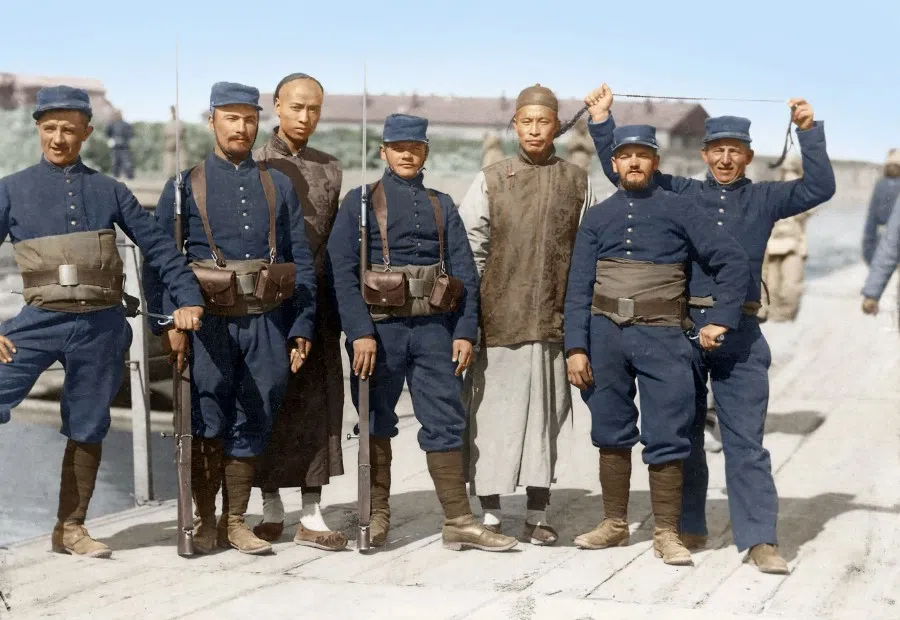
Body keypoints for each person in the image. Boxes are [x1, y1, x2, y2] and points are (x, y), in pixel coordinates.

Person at [584, 83, 835, 574]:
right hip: (680, 329)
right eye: (717, 151)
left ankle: (760, 539)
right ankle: (689, 524)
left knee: (746, 440)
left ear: (748, 157)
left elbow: (819, 188)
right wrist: (601, 122)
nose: (725, 160)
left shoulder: (765, 198)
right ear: (704, 154)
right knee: (684, 432)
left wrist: (809, 132)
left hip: (739, 332)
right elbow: (628, 168)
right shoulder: (682, 192)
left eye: (735, 153)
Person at [0, 85, 204, 559]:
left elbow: (160, 250)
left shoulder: (109, 190)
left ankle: (70, 529)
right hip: (37, 323)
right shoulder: (11, 190)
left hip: (101, 327)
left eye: (68, 129)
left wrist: (187, 300)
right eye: (49, 128)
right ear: (37, 130)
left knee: (89, 425)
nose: (58, 138)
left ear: (87, 133)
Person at [327, 113, 517, 552]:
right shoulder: (359, 202)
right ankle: (376, 515)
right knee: (375, 420)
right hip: (380, 332)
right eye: (398, 148)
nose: (407, 154)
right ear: (383, 152)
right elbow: (342, 272)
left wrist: (465, 331)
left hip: (435, 331)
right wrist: (359, 332)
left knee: (446, 421)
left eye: (415, 147)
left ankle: (457, 520)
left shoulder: (441, 204)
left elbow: (464, 269)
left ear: (426, 151)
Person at [143, 82, 318, 556]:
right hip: (207, 326)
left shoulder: (277, 184)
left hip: (265, 320)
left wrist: (301, 324)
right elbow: (158, 260)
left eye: (249, 119)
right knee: (206, 416)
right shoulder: (183, 186)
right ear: (213, 120)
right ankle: (204, 519)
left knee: (254, 415)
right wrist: (167, 324)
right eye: (231, 118)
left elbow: (298, 257)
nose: (241, 128)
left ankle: (235, 520)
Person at [565, 123, 750, 566]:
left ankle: (667, 532)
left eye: (642, 155)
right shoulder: (598, 216)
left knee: (667, 434)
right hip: (604, 335)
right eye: (625, 156)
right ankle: (613, 524)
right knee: (610, 429)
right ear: (613, 164)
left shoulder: (682, 210)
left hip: (664, 336)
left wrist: (722, 319)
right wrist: (576, 347)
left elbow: (732, 261)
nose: (633, 163)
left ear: (655, 162)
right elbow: (577, 288)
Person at [458, 84, 600, 545]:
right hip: (499, 320)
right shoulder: (491, 178)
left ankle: (537, 513)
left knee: (547, 420)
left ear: (557, 125)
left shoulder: (579, 181)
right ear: (514, 125)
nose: (536, 130)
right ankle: (492, 514)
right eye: (527, 121)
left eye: (544, 121)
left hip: (556, 323)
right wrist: (470, 318)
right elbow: (469, 252)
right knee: (492, 417)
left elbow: (589, 257)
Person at [251, 72, 347, 551]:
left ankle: (311, 511)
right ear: (276, 106)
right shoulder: (255, 164)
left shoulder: (331, 167)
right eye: (296, 107)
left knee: (317, 406)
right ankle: (270, 505)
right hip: (268, 300)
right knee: (271, 398)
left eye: (313, 109)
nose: (305, 117)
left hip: (319, 300)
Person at [760, 156, 816, 322]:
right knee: (772, 286)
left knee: (791, 286)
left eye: (794, 175)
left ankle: (785, 317)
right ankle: (775, 319)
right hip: (772, 245)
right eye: (787, 174)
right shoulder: (772, 194)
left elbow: (810, 210)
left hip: (794, 246)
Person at [862, 149, 900, 266]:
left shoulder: (880, 185)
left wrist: (868, 252)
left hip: (885, 242)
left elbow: (871, 220)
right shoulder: (880, 185)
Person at [105, 110, 134, 180]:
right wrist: (110, 140)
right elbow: (108, 134)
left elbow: (129, 135)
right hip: (115, 147)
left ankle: (129, 176)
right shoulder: (111, 124)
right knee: (115, 162)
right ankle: (116, 176)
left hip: (124, 146)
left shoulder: (126, 125)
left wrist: (125, 141)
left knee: (126, 162)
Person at [163, 105, 186, 178]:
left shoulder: (178, 122)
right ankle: (168, 175)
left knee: (181, 159)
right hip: (171, 141)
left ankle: (182, 175)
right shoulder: (171, 123)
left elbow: (182, 132)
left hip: (178, 141)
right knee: (169, 159)